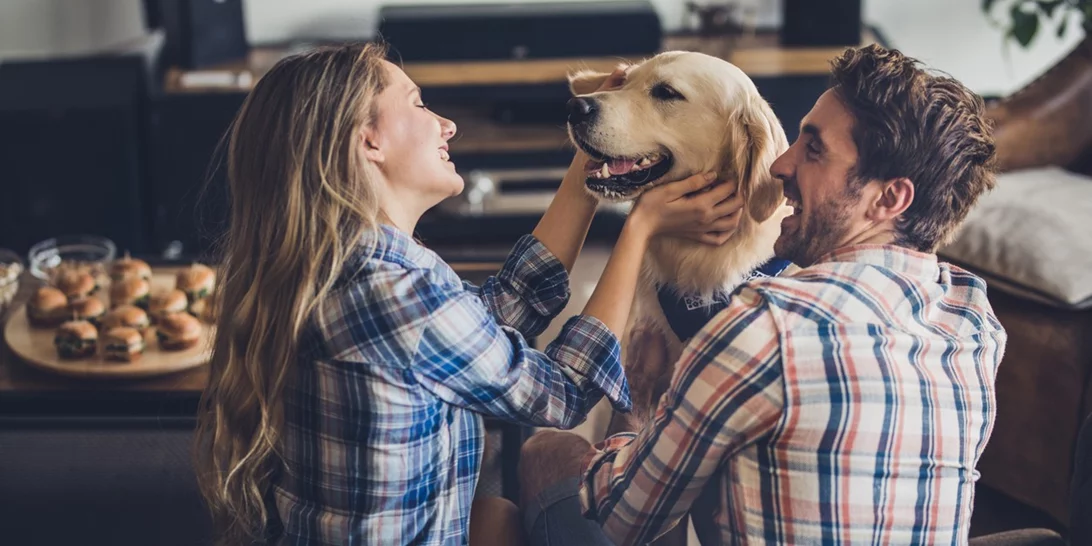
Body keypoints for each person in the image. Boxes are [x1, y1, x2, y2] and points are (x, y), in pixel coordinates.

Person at [191, 42, 745, 546]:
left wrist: (594, 157)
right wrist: (639, 227)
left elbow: (500, 310)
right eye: (419, 105)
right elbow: (560, 394)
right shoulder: (395, 294)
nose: (447, 124)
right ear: (368, 140)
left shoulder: (349, 263)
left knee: (496, 518)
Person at [519, 43, 1005, 545]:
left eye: (814, 150)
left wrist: (645, 421)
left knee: (538, 454)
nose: (779, 165)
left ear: (889, 198)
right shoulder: (975, 321)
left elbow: (625, 514)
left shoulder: (763, 326)